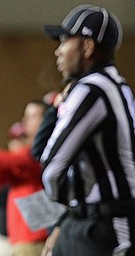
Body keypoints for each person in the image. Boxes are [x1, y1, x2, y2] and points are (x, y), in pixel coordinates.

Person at [41, 4, 135, 256]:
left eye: (65, 41)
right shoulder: (118, 86)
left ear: (87, 47)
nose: (58, 50)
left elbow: (51, 166)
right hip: (98, 219)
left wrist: (65, 204)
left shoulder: (92, 89)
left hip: (100, 224)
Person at [0, 100, 49, 256]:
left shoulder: (42, 148)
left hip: (35, 236)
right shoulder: (29, 150)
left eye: (32, 116)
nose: (25, 121)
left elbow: (18, 161)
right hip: (21, 236)